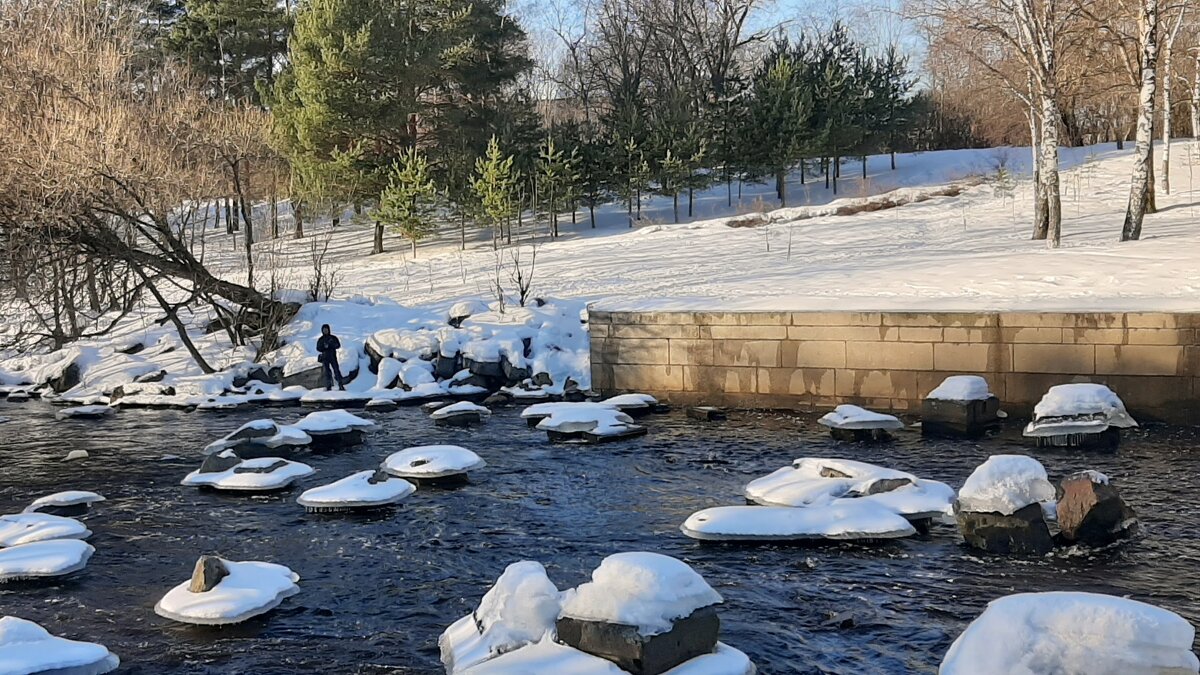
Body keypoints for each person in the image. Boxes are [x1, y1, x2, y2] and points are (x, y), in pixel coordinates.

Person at [316, 324, 345, 391]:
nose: (325, 331)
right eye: (324, 330)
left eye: (326, 329)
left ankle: (340, 385)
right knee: (326, 373)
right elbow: (318, 348)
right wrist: (324, 347)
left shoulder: (333, 338)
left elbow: (338, 345)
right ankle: (328, 386)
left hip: (333, 356)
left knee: (336, 371)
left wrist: (330, 345)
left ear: (329, 330)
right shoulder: (321, 339)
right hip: (325, 357)